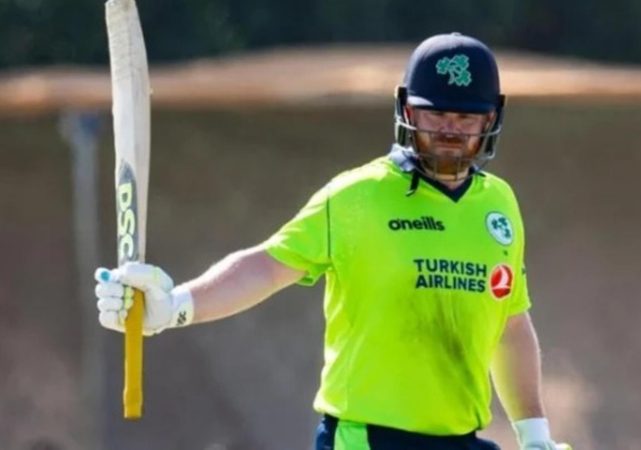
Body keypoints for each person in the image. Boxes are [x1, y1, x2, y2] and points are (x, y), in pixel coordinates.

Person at [95, 32, 571, 450]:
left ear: (490, 119)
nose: (450, 130)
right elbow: (266, 266)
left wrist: (534, 436)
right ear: (408, 111)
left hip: (459, 440)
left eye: (466, 118)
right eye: (437, 114)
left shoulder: (499, 205)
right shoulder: (356, 196)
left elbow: (509, 324)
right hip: (368, 439)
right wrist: (175, 307)